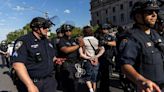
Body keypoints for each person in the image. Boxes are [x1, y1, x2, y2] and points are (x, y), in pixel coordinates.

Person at [119, 0, 164, 92]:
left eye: (156, 12)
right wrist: (140, 81)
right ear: (138, 16)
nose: (154, 15)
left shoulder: (155, 34)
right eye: (149, 12)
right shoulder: (131, 37)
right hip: (146, 88)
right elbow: (125, 65)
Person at [11, 17, 60, 92]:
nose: (47, 29)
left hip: (49, 82)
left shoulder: (46, 41)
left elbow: (51, 57)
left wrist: (56, 60)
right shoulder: (24, 41)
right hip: (33, 83)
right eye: (45, 27)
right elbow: (18, 65)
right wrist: (30, 85)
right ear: (36, 28)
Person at [57, 24, 84, 92]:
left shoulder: (74, 40)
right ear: (63, 32)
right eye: (66, 30)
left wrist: (82, 45)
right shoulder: (61, 40)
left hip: (76, 63)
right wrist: (78, 45)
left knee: (75, 82)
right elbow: (65, 50)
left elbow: (81, 51)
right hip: (67, 64)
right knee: (68, 84)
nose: (68, 32)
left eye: (70, 30)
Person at [79, 26, 105, 92]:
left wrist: (89, 58)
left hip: (87, 60)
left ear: (84, 32)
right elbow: (103, 49)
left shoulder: (82, 41)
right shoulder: (96, 40)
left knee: (87, 76)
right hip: (96, 60)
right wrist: (97, 56)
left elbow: (81, 54)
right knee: (94, 77)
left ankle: (91, 90)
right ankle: (94, 90)